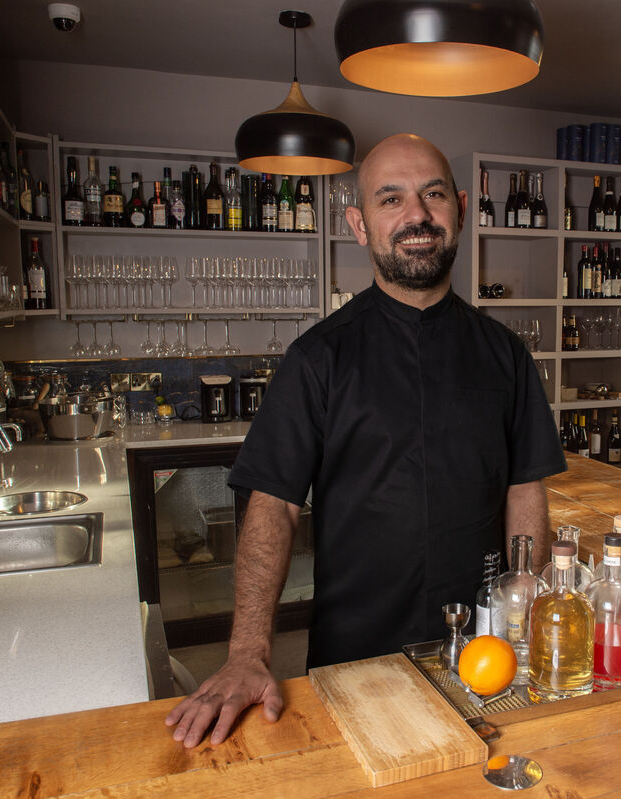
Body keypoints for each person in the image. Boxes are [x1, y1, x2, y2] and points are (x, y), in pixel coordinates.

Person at [166, 134, 566, 748]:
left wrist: (533, 611)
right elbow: (271, 503)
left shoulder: (506, 356)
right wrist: (248, 653)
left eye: (432, 194)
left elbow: (524, 489)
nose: (417, 215)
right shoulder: (316, 359)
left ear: (459, 208)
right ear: (358, 224)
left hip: (488, 652)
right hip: (355, 657)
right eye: (390, 199)